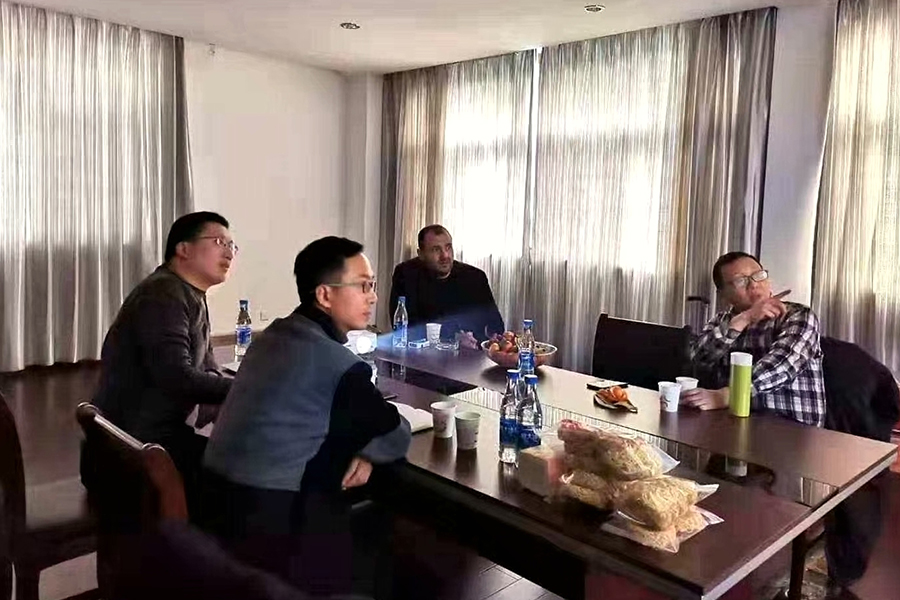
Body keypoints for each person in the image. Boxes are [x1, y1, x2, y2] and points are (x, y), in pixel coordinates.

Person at [202, 236, 411, 597]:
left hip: (213, 506)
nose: (373, 297)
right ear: (325, 295)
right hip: (274, 528)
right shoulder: (339, 365)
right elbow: (397, 432)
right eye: (363, 286)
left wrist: (363, 449)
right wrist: (369, 451)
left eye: (373, 286)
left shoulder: (269, 338)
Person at [87, 211, 235, 486]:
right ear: (183, 249)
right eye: (219, 242)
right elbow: (176, 377)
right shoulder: (164, 294)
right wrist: (248, 388)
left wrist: (229, 386)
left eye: (231, 245)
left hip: (144, 440)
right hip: (133, 451)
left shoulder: (186, 292)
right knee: (247, 467)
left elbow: (207, 365)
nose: (229, 253)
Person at [684, 251, 826, 427]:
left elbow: (782, 365)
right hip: (735, 422)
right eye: (740, 281)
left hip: (792, 427)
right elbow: (697, 360)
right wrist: (744, 319)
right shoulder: (721, 322)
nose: (753, 285)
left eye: (758, 275)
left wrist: (728, 395)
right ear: (723, 295)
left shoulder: (798, 315)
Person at [389, 225, 504, 349]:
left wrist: (493, 338)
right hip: (423, 355)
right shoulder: (406, 274)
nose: (445, 256)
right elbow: (405, 328)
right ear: (421, 254)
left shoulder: (475, 277)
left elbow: (496, 325)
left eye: (448, 247)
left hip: (472, 353)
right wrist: (453, 338)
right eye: (436, 250)